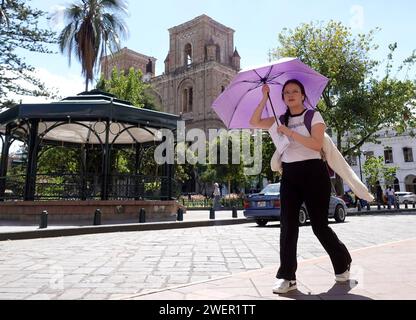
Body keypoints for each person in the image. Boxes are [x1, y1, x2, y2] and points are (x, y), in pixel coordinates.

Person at [249, 79, 352, 294]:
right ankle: (287, 277)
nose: (290, 94)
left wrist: (290, 133)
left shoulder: (313, 116)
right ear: (283, 98)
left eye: (295, 91)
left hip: (314, 173)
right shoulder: (281, 119)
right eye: (286, 92)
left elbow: (316, 144)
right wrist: (264, 98)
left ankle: (343, 261)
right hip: (290, 174)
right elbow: (254, 120)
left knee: (319, 226)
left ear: (303, 95)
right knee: (287, 226)